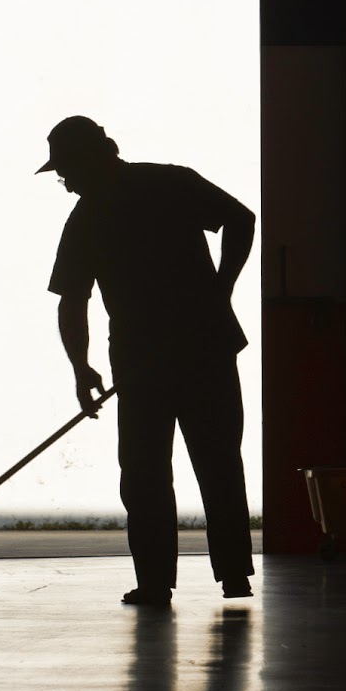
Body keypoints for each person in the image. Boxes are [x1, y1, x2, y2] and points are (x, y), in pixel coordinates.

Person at [40, 115, 255, 606]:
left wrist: (82, 367)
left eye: (66, 170)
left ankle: (157, 583)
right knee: (217, 461)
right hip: (200, 347)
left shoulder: (89, 216)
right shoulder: (170, 182)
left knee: (144, 472)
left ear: (92, 159)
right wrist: (219, 292)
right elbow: (241, 219)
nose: (64, 181)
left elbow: (72, 300)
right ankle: (233, 574)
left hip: (147, 359)